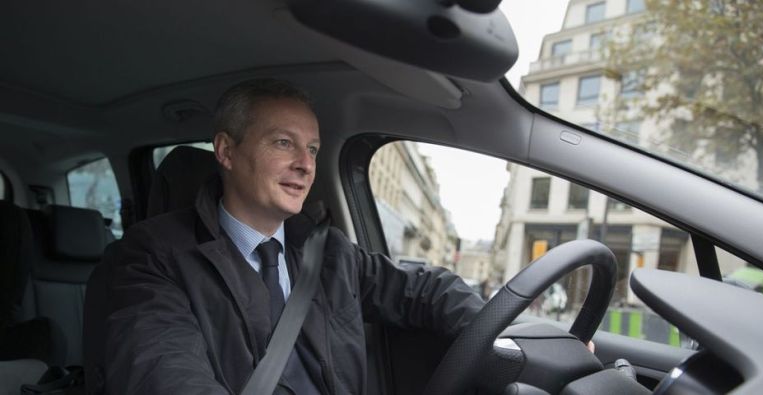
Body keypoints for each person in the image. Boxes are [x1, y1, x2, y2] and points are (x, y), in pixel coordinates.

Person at [102, 79, 485, 394]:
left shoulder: (328, 250)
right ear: (226, 151)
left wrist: (492, 333)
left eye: (313, 149)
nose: (305, 164)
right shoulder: (155, 254)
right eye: (283, 143)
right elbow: (164, 373)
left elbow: (421, 289)